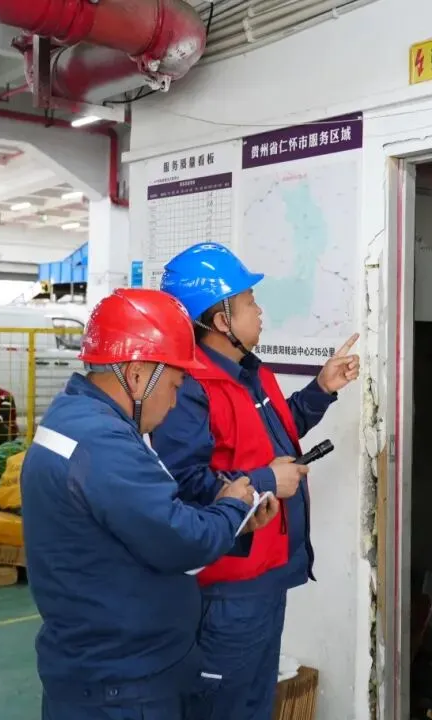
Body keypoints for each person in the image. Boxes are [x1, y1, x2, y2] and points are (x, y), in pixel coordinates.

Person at [21, 288, 280, 720]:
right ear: (138, 374)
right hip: (124, 685)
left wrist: (233, 523)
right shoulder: (103, 443)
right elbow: (179, 540)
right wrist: (234, 507)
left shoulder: (76, 416)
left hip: (99, 666)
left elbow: (137, 524)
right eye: (175, 385)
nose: (175, 401)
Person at [151, 243, 360, 720]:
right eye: (249, 302)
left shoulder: (251, 372)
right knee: (224, 708)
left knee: (254, 704)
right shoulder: (190, 388)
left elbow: (277, 433)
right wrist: (267, 479)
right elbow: (183, 484)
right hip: (227, 587)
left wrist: (322, 388)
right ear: (221, 320)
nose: (260, 311)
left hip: (267, 574)